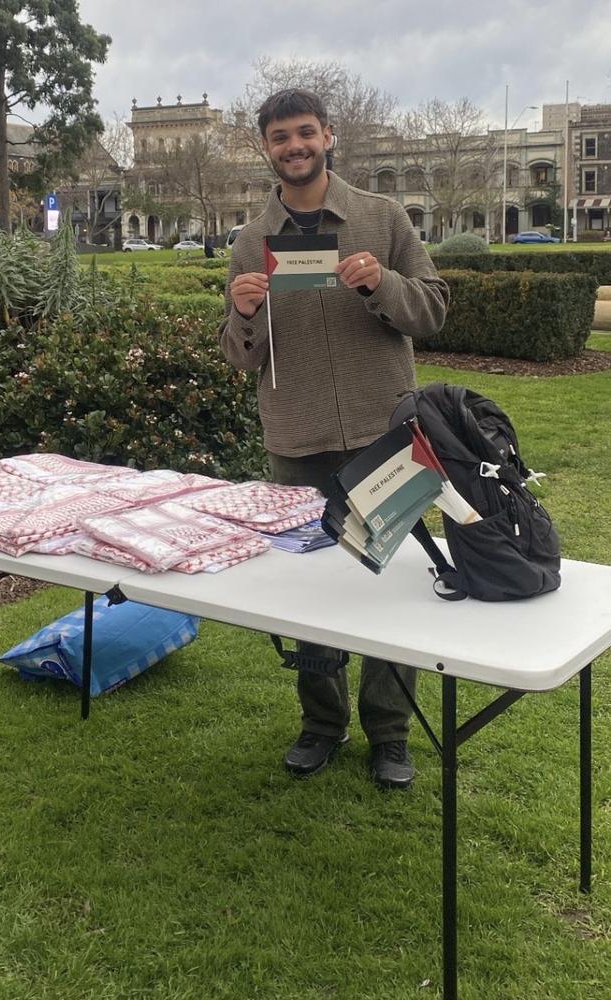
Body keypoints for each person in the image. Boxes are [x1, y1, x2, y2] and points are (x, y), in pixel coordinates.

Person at [219, 89, 449, 789]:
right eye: (281, 137)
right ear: (267, 147)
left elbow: (434, 309)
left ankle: (391, 733)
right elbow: (239, 357)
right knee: (309, 594)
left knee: (395, 587)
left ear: (327, 135)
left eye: (305, 133)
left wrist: (382, 284)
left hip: (387, 436)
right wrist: (243, 312)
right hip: (298, 440)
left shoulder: (381, 218)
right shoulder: (247, 242)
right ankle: (323, 722)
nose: (295, 146)